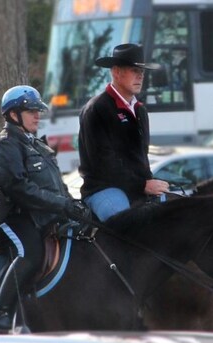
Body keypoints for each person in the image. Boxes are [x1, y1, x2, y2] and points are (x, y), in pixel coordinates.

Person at [0, 85, 86, 334]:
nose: (38, 115)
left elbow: (55, 184)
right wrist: (61, 205)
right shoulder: (7, 145)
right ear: (14, 114)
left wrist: (71, 204)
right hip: (11, 217)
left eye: (38, 110)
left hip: (38, 215)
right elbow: (19, 189)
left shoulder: (36, 144)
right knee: (30, 254)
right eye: (31, 111)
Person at [78, 43, 170, 222]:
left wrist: (149, 182)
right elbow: (102, 163)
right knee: (126, 224)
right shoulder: (97, 108)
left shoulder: (140, 110)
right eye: (133, 70)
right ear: (116, 72)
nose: (140, 76)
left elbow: (141, 159)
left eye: (142, 71)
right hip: (103, 188)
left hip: (137, 188)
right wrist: (143, 185)